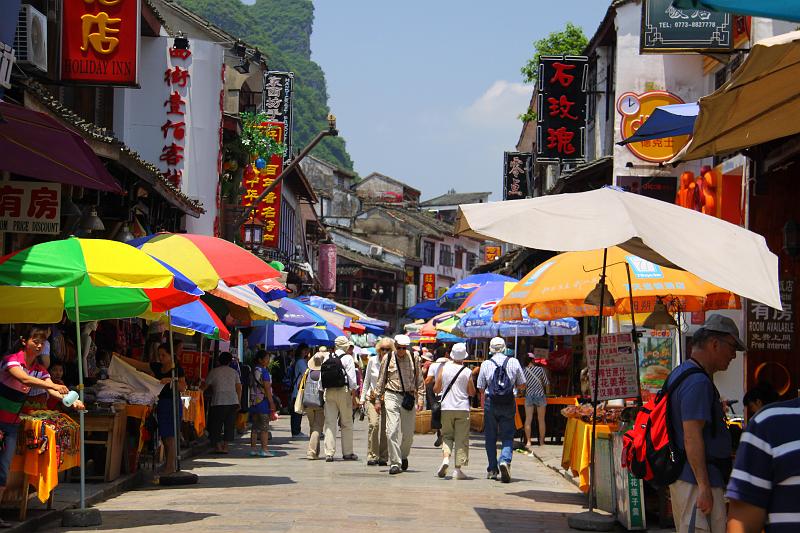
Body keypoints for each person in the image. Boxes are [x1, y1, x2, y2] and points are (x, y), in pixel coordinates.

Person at [666, 314, 741, 533]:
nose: (734, 355)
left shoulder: (684, 373)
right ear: (714, 344)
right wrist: (704, 486)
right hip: (696, 482)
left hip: (692, 479)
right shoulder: (698, 382)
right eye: (732, 347)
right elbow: (691, 436)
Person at [0, 327, 76, 526]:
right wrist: (52, 386)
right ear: (25, 341)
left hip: (11, 424)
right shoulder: (11, 360)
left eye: (42, 341)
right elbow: (24, 379)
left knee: (3, 470)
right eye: (36, 340)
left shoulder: (40, 370)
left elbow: (53, 390)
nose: (40, 344)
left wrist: (71, 400)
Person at [726, 396, 800, 533]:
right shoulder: (768, 424)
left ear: (758, 401)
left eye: (751, 407)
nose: (751, 411)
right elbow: (742, 525)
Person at [120, 344, 186, 475]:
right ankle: (169, 464)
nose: (161, 358)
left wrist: (171, 380)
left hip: (172, 403)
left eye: (164, 355)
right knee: (164, 435)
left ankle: (170, 466)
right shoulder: (156, 367)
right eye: (159, 355)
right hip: (161, 403)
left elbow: (182, 387)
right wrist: (120, 357)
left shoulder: (177, 369)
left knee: (170, 436)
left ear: (170, 355)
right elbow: (139, 365)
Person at [374, 334, 425, 475]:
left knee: (408, 434)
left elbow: (419, 380)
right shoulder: (388, 358)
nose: (402, 350)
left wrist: (421, 398)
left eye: (404, 348)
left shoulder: (414, 358)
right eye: (399, 348)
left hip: (408, 397)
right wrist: (378, 399)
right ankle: (395, 463)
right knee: (391, 431)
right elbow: (381, 379)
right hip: (391, 395)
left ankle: (402, 456)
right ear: (395, 346)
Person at [477, 337, 525, 483]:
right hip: (508, 402)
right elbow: (522, 384)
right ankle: (504, 460)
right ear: (504, 348)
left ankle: (492, 469)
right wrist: (513, 388)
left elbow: (480, 387)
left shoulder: (486, 364)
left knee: (490, 437)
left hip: (490, 403)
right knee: (508, 435)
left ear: (491, 349)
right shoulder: (514, 362)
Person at [434, 343, 475, 480]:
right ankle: (457, 469)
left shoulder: (444, 368)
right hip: (462, 408)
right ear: (464, 356)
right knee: (461, 439)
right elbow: (471, 392)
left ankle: (446, 459)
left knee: (447, 436)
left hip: (446, 407)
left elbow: (436, 389)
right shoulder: (467, 371)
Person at [322, 336, 359, 462]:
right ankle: (347, 452)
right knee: (346, 422)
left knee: (329, 423)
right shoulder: (348, 358)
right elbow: (352, 381)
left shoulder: (327, 357)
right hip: (344, 392)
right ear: (346, 346)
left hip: (329, 392)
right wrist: (354, 394)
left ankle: (329, 453)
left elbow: (321, 381)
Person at [202, 352, 242, 454]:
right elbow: (239, 388)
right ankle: (226, 446)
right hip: (232, 401)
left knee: (216, 424)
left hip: (218, 401)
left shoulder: (214, 372)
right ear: (230, 361)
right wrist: (239, 401)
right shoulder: (234, 372)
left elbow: (204, 387)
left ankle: (218, 446)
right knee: (229, 424)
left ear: (219, 360)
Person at [360, 338, 391, 466]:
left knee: (386, 428)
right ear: (378, 349)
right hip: (372, 398)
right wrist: (362, 398)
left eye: (387, 349)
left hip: (388, 398)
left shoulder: (393, 362)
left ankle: (383, 456)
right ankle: (372, 455)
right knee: (374, 424)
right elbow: (367, 380)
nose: (384, 351)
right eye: (382, 349)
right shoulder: (372, 361)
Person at [294, 349, 327, 460]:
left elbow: (299, 385)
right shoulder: (323, 373)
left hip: (307, 403)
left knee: (312, 426)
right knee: (317, 428)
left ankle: (315, 452)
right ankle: (311, 452)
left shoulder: (307, 372)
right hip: (319, 404)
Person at [249, 350, 276, 457]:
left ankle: (253, 449)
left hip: (253, 401)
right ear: (261, 360)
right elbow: (267, 388)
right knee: (264, 427)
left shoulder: (253, 370)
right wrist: (272, 403)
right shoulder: (264, 372)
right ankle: (264, 449)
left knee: (254, 427)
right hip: (263, 401)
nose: (268, 360)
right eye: (266, 358)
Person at [523, 355, 550, 448]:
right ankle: (542, 442)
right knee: (541, 420)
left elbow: (523, 385)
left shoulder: (524, 371)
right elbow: (546, 383)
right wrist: (547, 393)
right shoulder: (540, 370)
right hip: (540, 395)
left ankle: (529, 442)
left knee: (528, 419)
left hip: (529, 395)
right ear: (533, 360)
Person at [289, 344, 310, 438]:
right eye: (304, 350)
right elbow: (306, 373)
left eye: (307, 350)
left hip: (295, 390)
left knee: (296, 411)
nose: (306, 352)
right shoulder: (301, 361)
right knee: (297, 411)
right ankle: (296, 432)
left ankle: (296, 431)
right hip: (298, 390)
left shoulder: (297, 361)